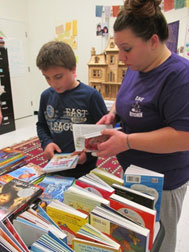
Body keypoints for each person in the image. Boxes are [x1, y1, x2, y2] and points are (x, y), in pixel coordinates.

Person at [96, 1, 189, 252]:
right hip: (133, 174)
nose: (122, 58)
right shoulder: (137, 66)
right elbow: (125, 98)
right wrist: (112, 114)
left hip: (165, 182)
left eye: (127, 49)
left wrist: (127, 141)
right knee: (134, 241)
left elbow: (184, 136)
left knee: (159, 243)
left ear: (153, 41)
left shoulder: (180, 76)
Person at [36, 41, 107, 178]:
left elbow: (104, 132)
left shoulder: (90, 96)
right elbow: (42, 125)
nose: (53, 83)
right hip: (54, 167)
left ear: (73, 69)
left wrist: (87, 153)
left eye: (58, 77)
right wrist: (47, 143)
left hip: (84, 170)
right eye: (47, 78)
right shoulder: (46, 96)